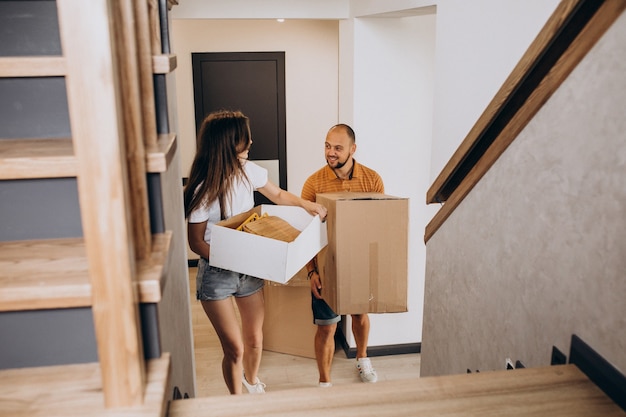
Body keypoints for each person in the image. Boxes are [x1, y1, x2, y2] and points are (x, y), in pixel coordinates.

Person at [184, 110, 327, 395]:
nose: (250, 141)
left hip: (249, 268)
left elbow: (277, 195)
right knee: (234, 348)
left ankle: (251, 382)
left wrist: (304, 204)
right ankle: (237, 401)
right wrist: (232, 257)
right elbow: (196, 242)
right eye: (244, 137)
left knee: (254, 338)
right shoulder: (204, 187)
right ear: (228, 142)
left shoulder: (248, 170)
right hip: (217, 273)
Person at [301, 123, 384, 387]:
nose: (331, 152)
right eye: (327, 145)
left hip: (358, 265)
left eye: (337, 147)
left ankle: (362, 358)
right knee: (326, 326)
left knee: (359, 315)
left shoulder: (372, 180)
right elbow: (305, 234)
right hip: (327, 267)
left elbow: (379, 228)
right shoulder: (313, 183)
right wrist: (311, 272)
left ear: (352, 149)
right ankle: (324, 382)